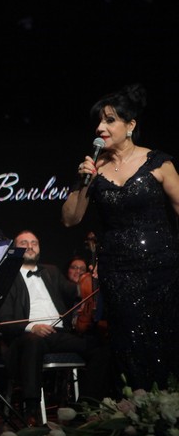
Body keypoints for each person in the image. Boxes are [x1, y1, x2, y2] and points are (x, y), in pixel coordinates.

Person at [61, 83, 179, 392]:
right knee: (128, 344)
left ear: (130, 125)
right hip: (118, 273)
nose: (100, 127)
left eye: (110, 119)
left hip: (161, 271)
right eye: (99, 121)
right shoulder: (94, 169)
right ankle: (135, 413)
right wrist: (83, 180)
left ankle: (166, 415)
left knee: (163, 342)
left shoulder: (159, 163)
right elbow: (70, 218)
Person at [0, 230, 112, 425]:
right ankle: (31, 409)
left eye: (34, 242)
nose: (30, 246)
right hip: (26, 337)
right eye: (24, 242)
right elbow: (4, 320)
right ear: (14, 249)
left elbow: (76, 291)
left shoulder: (51, 271)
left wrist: (95, 278)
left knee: (101, 348)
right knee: (33, 342)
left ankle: (85, 407)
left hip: (58, 333)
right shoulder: (6, 278)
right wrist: (32, 327)